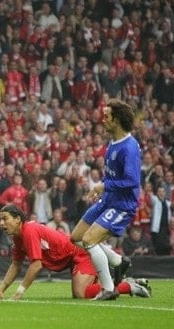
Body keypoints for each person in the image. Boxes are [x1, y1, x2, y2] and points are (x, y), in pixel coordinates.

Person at [0, 205, 151, 301]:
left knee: (80, 293)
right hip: (71, 258)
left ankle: (129, 286)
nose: (1, 223)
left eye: (5, 219)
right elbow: (16, 264)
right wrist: (1, 289)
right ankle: (127, 282)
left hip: (81, 254)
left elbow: (36, 265)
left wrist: (19, 292)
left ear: (17, 219)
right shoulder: (17, 237)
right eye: (0, 220)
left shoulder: (29, 231)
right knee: (89, 292)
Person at [70, 99, 141, 300]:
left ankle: (109, 288)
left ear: (117, 120)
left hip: (122, 205)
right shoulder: (113, 143)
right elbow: (112, 175)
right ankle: (119, 261)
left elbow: (132, 181)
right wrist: (102, 187)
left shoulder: (129, 147)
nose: (102, 120)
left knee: (89, 240)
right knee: (76, 237)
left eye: (107, 116)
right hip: (107, 200)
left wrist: (104, 186)